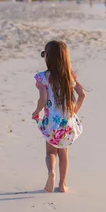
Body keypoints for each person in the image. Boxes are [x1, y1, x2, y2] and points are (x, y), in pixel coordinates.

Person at [32, 40, 86, 193]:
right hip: (66, 123)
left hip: (50, 122)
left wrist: (36, 112)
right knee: (64, 153)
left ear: (47, 57)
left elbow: (43, 99)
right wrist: (73, 113)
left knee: (50, 152)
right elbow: (82, 95)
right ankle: (62, 185)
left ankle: (51, 173)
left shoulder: (42, 77)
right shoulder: (70, 77)